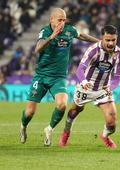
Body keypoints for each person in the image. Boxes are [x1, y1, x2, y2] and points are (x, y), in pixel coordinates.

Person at [20, 8, 99, 146]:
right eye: (59, 20)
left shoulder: (69, 30)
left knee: (62, 105)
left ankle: (49, 129)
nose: (62, 22)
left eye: (64, 20)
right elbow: (37, 49)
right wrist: (51, 37)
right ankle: (23, 127)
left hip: (59, 77)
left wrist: (100, 43)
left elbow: (83, 36)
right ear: (51, 19)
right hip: (41, 76)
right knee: (29, 112)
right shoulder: (45, 32)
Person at [59, 25, 120, 149]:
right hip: (85, 87)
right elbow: (79, 70)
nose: (111, 43)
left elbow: (117, 76)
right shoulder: (93, 50)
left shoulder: (119, 55)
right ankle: (66, 133)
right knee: (74, 112)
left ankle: (105, 136)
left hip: (103, 89)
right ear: (102, 38)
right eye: (107, 40)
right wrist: (84, 82)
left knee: (112, 121)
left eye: (113, 40)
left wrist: (111, 87)